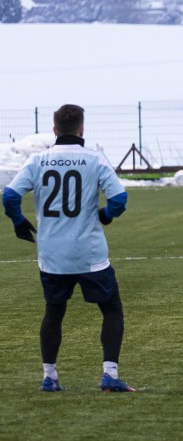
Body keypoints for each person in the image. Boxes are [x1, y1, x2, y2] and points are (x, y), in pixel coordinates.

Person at [3, 104, 135, 392]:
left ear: (54, 130)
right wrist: (105, 216)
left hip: (52, 255)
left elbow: (10, 196)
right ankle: (109, 375)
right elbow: (119, 200)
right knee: (111, 310)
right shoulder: (94, 160)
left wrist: (18, 222)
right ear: (81, 128)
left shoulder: (39, 161)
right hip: (88, 254)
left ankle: (49, 377)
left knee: (54, 311)